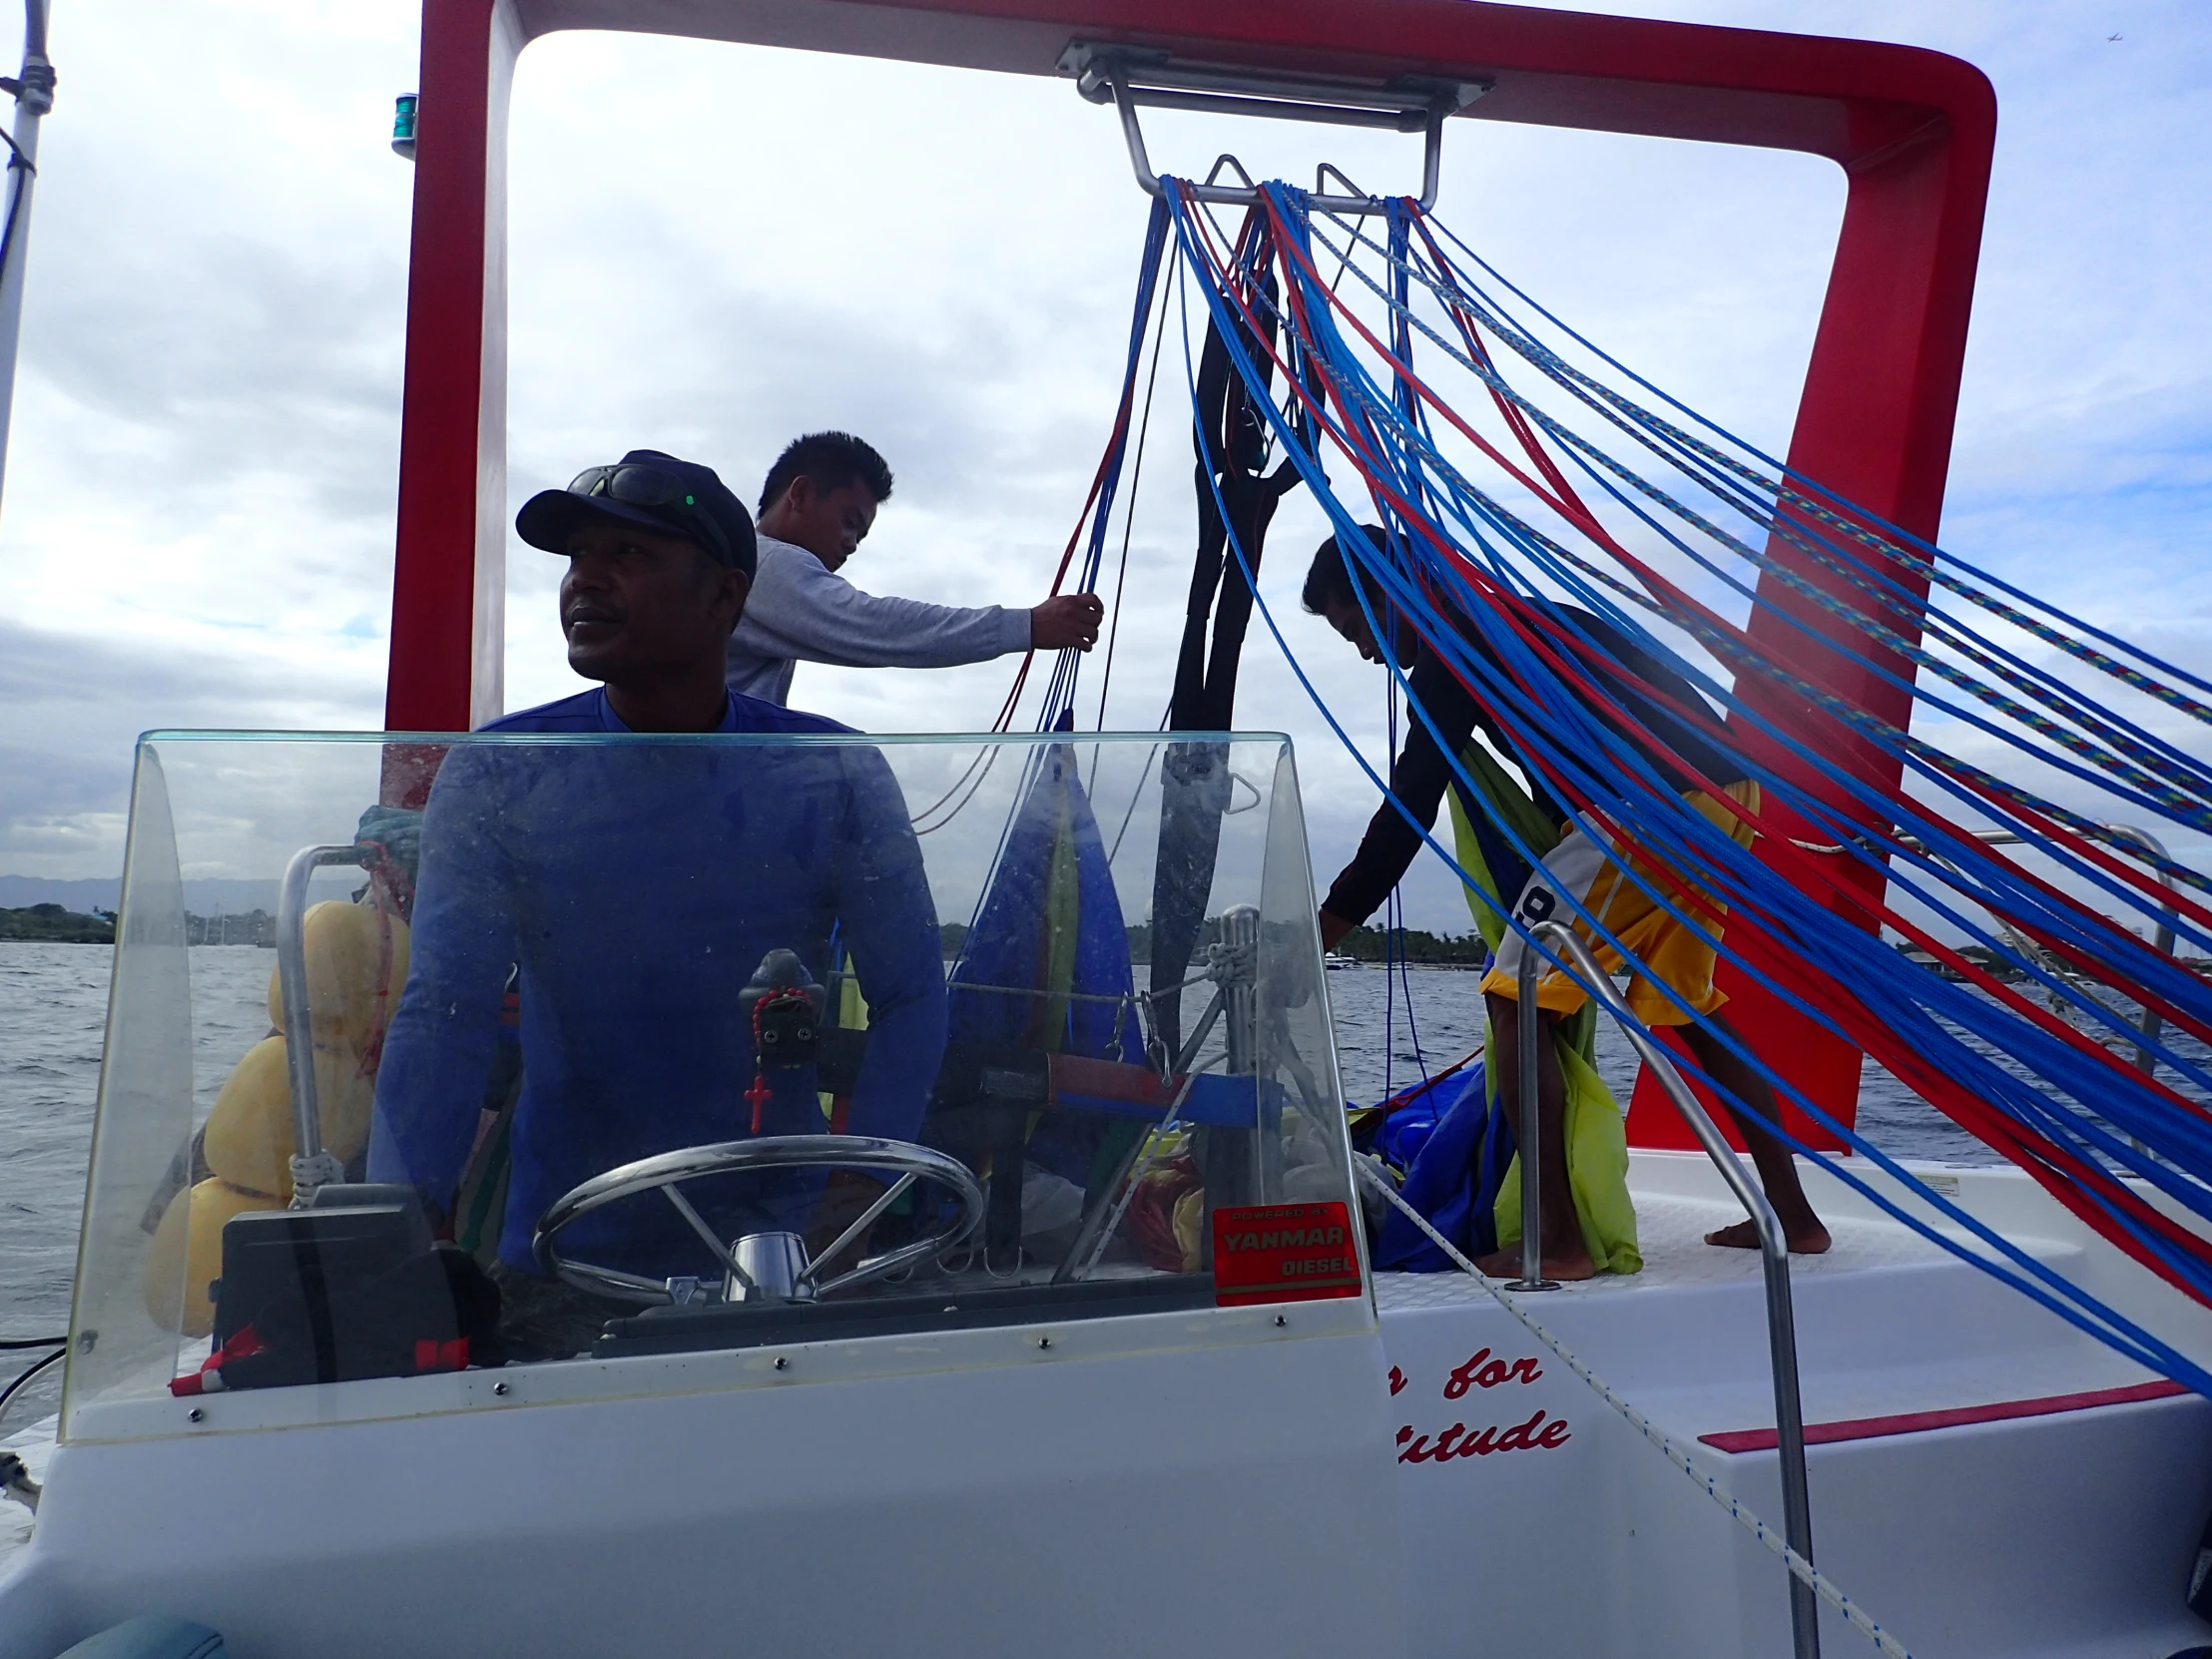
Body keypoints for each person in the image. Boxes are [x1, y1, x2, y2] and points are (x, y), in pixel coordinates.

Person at [370, 449, 948, 1356]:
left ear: (725, 597)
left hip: (788, 1258)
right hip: (566, 1255)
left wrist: (856, 1191)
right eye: (577, 557)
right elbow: (446, 1010)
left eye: (629, 556)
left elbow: (912, 994)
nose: (585, 582)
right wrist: (395, 1229)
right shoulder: (501, 772)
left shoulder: (832, 773)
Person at [1306, 528, 1829, 1280]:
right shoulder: (1521, 620)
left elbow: (1410, 802)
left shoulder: (1457, 643)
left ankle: (1555, 1240)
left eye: (1357, 627)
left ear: (1392, 589)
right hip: (1726, 793)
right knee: (1688, 1003)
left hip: (1647, 806)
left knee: (1514, 1002)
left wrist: (1326, 924)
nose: (1365, 653)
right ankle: (1794, 1216)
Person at [726, 430, 1105, 705]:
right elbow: (872, 624)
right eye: (849, 521)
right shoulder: (765, 561)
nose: (851, 544)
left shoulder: (740, 565)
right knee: (854, 763)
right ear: (801, 494)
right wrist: (1030, 626)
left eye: (861, 535)